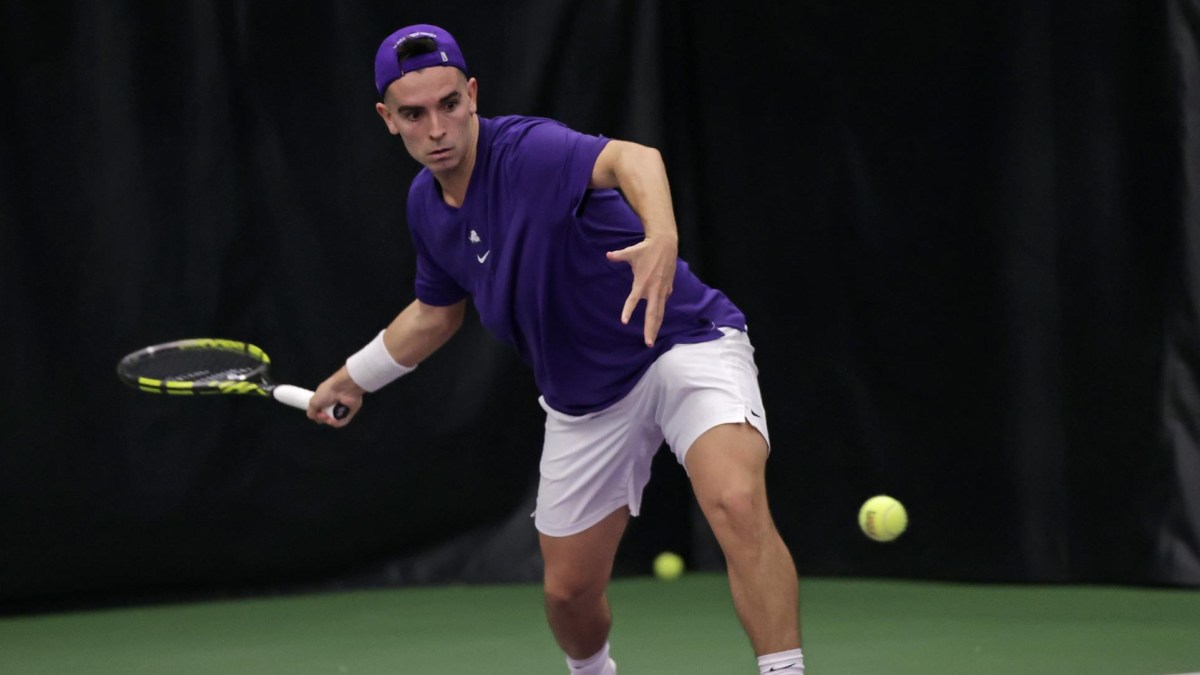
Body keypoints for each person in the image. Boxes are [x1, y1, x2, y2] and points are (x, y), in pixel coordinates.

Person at [307, 23, 804, 675]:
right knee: (569, 596)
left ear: (473, 94)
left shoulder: (529, 151)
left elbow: (635, 158)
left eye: (450, 104)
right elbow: (435, 314)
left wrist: (661, 236)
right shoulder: (425, 208)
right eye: (414, 113)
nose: (437, 128)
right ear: (387, 118)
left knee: (736, 500)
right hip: (584, 399)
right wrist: (354, 377)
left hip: (681, 342)